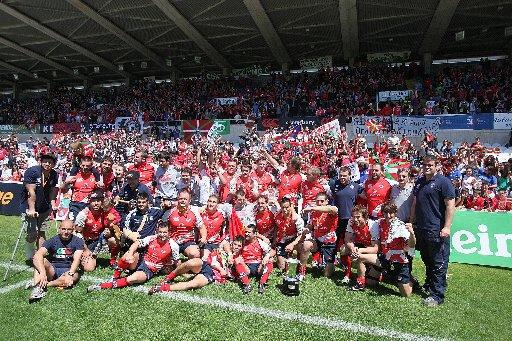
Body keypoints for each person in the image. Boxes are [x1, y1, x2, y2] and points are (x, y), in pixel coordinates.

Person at [410, 155, 456, 306]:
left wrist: (447, 227)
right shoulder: (420, 181)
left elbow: (450, 205)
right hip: (422, 229)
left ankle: (437, 295)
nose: (426, 167)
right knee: (427, 260)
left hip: (436, 230)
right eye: (424, 164)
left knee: (438, 262)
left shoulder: (444, 182)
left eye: (430, 164)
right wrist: (411, 222)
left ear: (437, 166)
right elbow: (415, 203)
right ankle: (430, 285)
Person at [87, 224, 179, 292]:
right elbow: (136, 243)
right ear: (157, 231)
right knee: (129, 254)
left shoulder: (173, 245)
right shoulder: (152, 238)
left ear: (169, 233)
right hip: (141, 260)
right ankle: (114, 277)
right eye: (160, 232)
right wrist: (130, 253)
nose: (162, 234)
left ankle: (102, 286)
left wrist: (181, 272)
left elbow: (176, 262)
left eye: (165, 232)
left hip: (149, 269)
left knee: (131, 279)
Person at [351, 202, 414, 297]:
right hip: (384, 258)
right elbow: (368, 226)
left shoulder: (401, 226)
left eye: (391, 213)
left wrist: (412, 234)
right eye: (385, 213)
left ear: (395, 213)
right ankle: (360, 283)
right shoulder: (379, 223)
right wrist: (358, 250)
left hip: (399, 261)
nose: (388, 216)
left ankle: (411, 281)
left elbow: (411, 246)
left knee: (406, 294)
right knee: (369, 279)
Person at [27, 220, 84, 303]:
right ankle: (38, 287)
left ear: (73, 230)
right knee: (40, 260)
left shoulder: (78, 241)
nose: (66, 232)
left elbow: (77, 259)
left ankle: (41, 285)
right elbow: (37, 255)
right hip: (53, 269)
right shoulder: (53, 240)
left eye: (69, 229)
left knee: (73, 277)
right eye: (63, 229)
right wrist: (43, 273)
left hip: (68, 270)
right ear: (59, 229)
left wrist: (70, 274)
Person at [21, 152, 59, 262]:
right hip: (29, 206)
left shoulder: (54, 174)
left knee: (42, 232)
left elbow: (52, 191)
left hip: (44, 207)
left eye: (50, 162)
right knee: (32, 234)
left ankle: (39, 256)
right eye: (45, 161)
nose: (47, 163)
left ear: (54, 164)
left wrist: (53, 204)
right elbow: (31, 192)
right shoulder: (32, 171)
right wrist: (32, 209)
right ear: (41, 162)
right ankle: (29, 250)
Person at [302, 192, 338, 278]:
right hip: (317, 240)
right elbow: (311, 225)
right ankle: (302, 271)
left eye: (322, 201)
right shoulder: (313, 212)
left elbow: (334, 209)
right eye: (317, 201)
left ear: (327, 201)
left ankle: (327, 260)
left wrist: (312, 208)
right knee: (306, 244)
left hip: (329, 242)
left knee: (327, 275)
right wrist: (306, 229)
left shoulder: (330, 211)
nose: (319, 203)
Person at [231, 224, 275, 294]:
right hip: (247, 267)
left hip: (259, 267)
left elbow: (273, 251)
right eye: (246, 232)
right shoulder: (243, 241)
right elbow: (234, 247)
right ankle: (247, 284)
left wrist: (267, 256)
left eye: (249, 232)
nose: (246, 234)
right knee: (237, 260)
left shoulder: (260, 242)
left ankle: (262, 283)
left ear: (254, 234)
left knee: (270, 259)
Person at [167, 190, 207, 259]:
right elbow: (164, 227)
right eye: (181, 199)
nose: (183, 201)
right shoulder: (170, 212)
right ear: (177, 199)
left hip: (188, 241)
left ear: (189, 200)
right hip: (173, 241)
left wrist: (203, 237)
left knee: (195, 254)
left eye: (185, 199)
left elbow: (202, 227)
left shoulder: (194, 211)